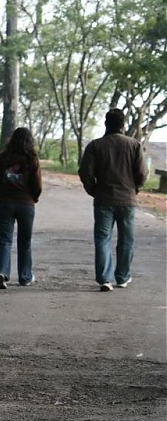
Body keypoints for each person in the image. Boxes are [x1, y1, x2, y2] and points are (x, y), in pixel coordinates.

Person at [78, 108, 148, 292]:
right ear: (123, 125)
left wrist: (94, 190)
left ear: (105, 124)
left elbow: (85, 172)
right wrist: (135, 189)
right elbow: (142, 173)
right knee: (126, 240)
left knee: (102, 239)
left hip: (103, 200)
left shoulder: (95, 146)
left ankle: (105, 279)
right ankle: (123, 277)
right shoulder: (134, 145)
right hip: (127, 201)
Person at [0, 127, 42, 289]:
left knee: (5, 239)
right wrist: (34, 198)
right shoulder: (32, 159)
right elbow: (37, 185)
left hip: (6, 203)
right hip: (26, 205)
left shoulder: (2, 158)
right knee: (25, 241)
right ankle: (25, 277)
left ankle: (2, 274)